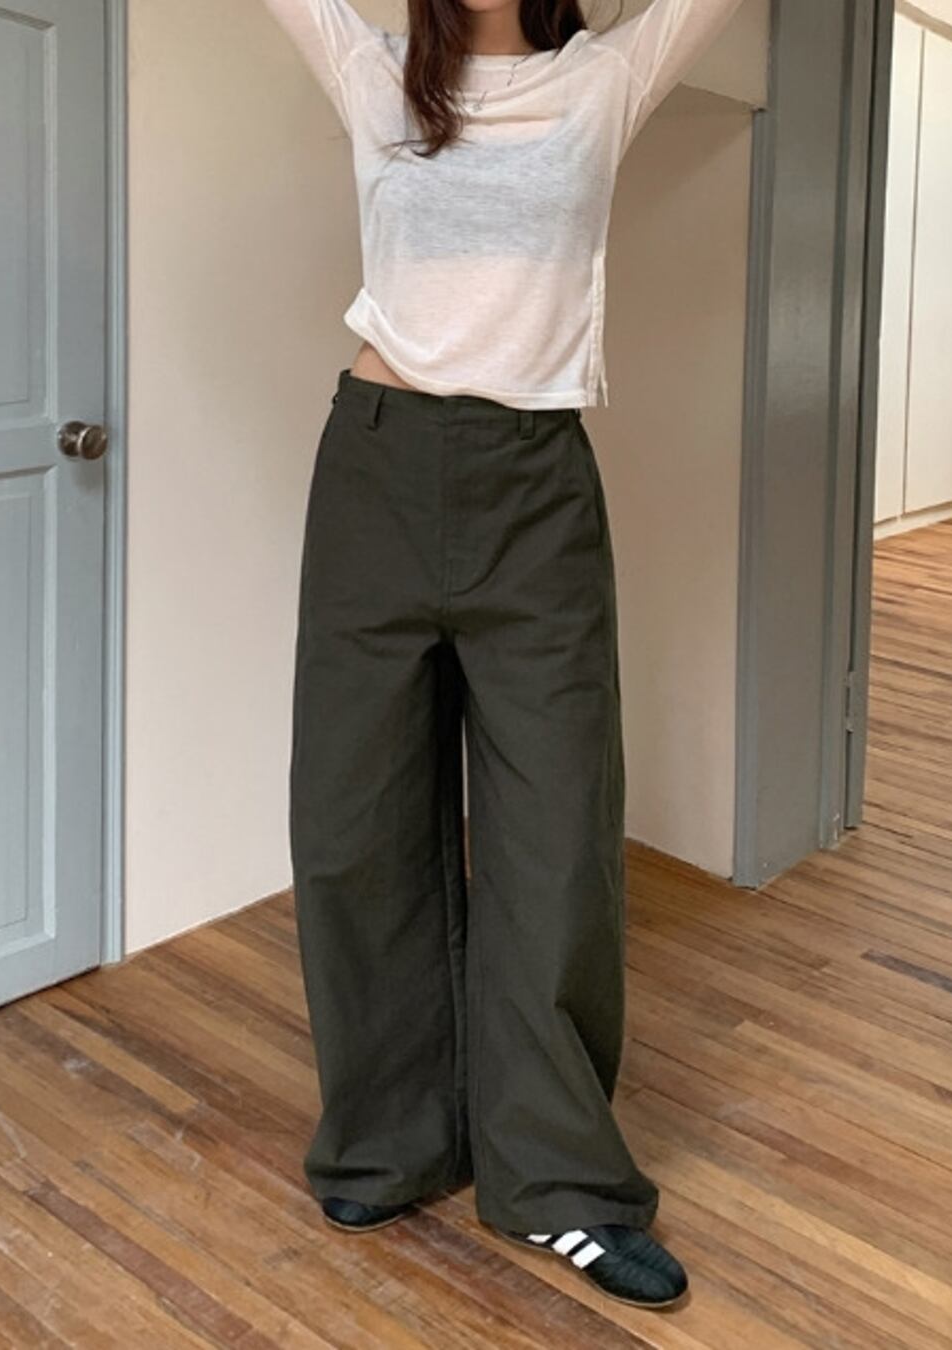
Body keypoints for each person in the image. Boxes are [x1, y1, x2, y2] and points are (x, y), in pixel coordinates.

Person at [262, 0, 744, 1310]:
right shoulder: (370, 72)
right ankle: (389, 1138)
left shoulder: (606, 77)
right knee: (353, 823)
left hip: (536, 486)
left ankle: (557, 1182)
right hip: (375, 467)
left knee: (557, 832)